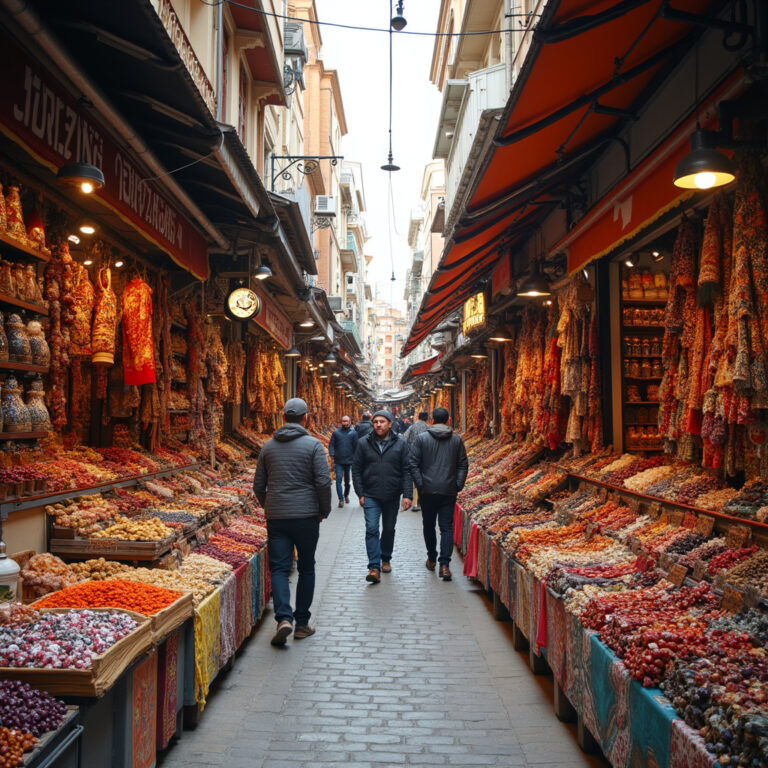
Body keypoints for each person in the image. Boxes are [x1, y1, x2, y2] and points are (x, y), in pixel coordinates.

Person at [253, 398, 332, 646]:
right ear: (305, 418)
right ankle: (302, 624)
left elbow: (258, 486)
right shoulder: (314, 446)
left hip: (277, 517)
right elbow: (323, 482)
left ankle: (283, 618)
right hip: (307, 516)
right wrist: (323, 509)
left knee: (279, 568)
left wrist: (270, 505)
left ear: (283, 417)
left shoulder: (268, 447)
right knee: (307, 566)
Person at [352, 409, 413, 583]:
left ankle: (385, 557)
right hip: (370, 494)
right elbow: (356, 470)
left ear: (390, 424)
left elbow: (406, 470)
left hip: (392, 494)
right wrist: (360, 493)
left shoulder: (401, 443)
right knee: (371, 529)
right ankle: (374, 567)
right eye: (376, 422)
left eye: (382, 421)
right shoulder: (364, 443)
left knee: (388, 529)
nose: (378, 424)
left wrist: (407, 495)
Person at [408, 407, 468, 582]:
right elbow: (463, 464)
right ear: (448, 420)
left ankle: (432, 558)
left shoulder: (421, 439)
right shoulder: (456, 440)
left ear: (432, 420)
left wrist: (420, 484)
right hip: (448, 490)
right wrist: (457, 484)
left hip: (427, 491)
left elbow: (413, 463)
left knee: (428, 525)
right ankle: (445, 565)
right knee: (446, 527)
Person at [329, 415, 358, 507]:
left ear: (350, 422)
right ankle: (340, 499)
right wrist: (331, 454)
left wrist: (356, 457)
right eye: (343, 421)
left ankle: (346, 495)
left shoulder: (353, 433)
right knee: (338, 479)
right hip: (338, 460)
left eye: (346, 421)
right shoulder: (336, 433)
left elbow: (356, 446)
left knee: (347, 481)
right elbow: (331, 445)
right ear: (341, 422)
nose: (345, 423)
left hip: (349, 460)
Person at [403, 412, 430, 512]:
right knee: (423, 476)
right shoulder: (428, 428)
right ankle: (422, 500)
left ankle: (415, 503)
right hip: (425, 456)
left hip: (412, 455)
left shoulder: (412, 427)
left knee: (413, 477)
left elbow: (404, 438)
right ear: (426, 418)